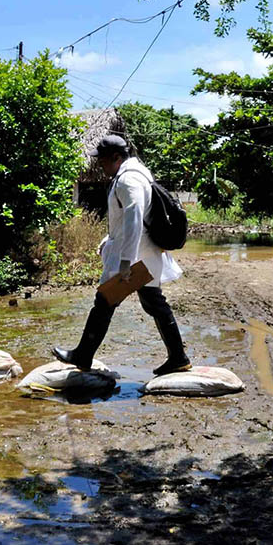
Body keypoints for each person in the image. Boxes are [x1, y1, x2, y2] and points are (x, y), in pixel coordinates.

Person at [53, 134, 191, 375]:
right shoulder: (136, 174)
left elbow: (135, 218)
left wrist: (126, 261)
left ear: (116, 157)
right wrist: (110, 239)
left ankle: (83, 355)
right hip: (144, 254)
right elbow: (129, 219)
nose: (100, 165)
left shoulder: (129, 180)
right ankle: (178, 357)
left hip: (137, 257)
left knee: (105, 301)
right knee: (154, 304)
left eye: (103, 161)